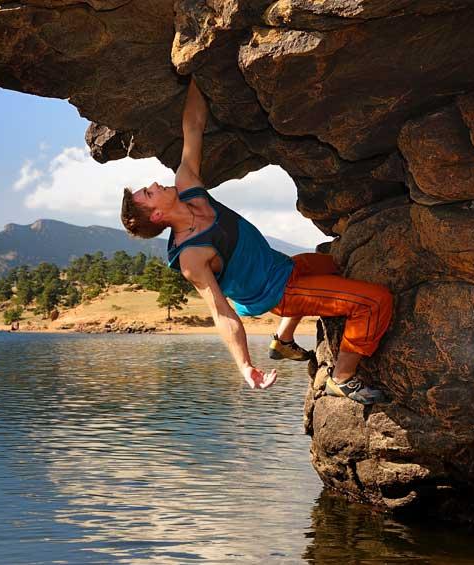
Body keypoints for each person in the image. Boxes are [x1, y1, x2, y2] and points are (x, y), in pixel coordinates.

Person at [120, 79, 393, 405]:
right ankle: (342, 379)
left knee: (337, 263)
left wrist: (195, 73)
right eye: (148, 194)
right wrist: (245, 366)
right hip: (280, 292)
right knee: (374, 302)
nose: (153, 183)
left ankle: (283, 338)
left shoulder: (188, 185)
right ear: (156, 217)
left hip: (286, 266)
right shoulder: (191, 257)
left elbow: (193, 126)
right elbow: (221, 314)